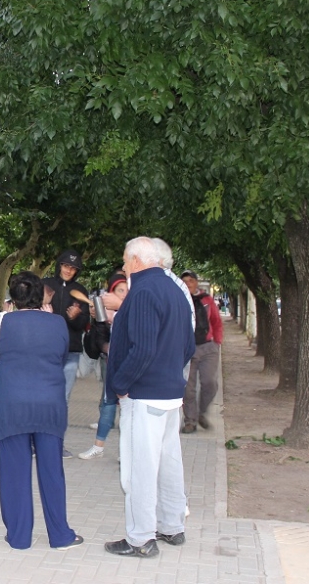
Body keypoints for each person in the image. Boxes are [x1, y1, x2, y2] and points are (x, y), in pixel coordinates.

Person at [104, 237, 195, 558]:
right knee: (170, 463)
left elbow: (141, 347)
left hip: (144, 394)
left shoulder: (143, 292)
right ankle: (172, 526)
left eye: (126, 260)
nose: (124, 266)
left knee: (140, 467)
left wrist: (121, 383)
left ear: (138, 260)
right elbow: (188, 346)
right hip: (170, 393)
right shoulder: (175, 290)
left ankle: (141, 538)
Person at [0, 271, 83, 550]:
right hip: (49, 405)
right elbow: (61, 354)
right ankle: (60, 535)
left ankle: (19, 537)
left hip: (12, 405)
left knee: (13, 472)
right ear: (40, 294)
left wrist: (6, 316)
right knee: (52, 471)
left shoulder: (1, 323)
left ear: (13, 297)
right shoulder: (56, 323)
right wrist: (49, 316)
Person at [41, 249, 90, 459]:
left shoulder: (80, 290)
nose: (69, 270)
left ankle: (57, 444)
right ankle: (37, 443)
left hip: (70, 352)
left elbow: (83, 325)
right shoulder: (45, 285)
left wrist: (76, 316)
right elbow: (31, 314)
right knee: (41, 397)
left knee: (63, 400)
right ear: (59, 265)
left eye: (73, 268)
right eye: (66, 265)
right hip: (44, 352)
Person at [78, 273, 128, 460]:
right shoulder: (102, 311)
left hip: (130, 365)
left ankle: (127, 452)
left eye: (126, 290)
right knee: (108, 403)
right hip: (111, 362)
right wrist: (106, 347)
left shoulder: (133, 310)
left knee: (128, 408)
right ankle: (98, 446)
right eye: (119, 290)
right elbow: (99, 336)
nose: (123, 294)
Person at [180, 270, 223, 433]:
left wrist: (217, 342)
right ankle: (190, 421)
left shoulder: (207, 300)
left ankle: (201, 413)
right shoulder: (179, 300)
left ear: (196, 282)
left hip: (208, 347)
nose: (188, 284)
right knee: (188, 388)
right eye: (184, 281)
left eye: (191, 280)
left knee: (210, 383)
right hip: (187, 349)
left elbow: (216, 321)